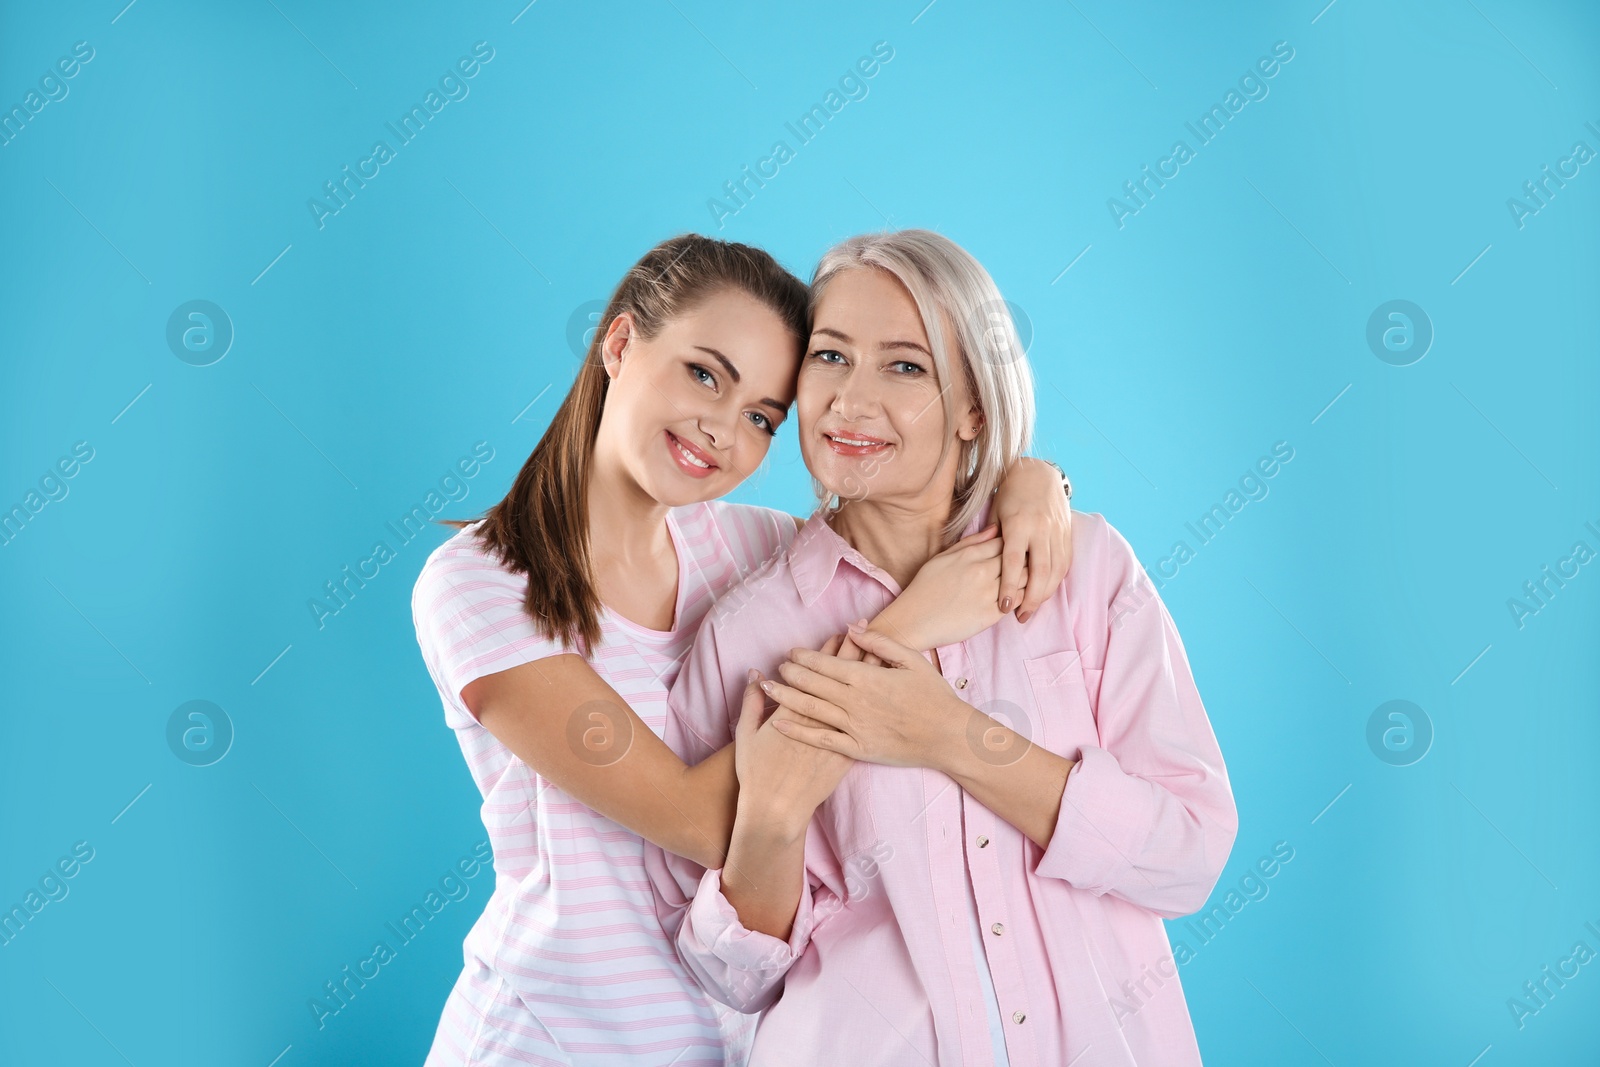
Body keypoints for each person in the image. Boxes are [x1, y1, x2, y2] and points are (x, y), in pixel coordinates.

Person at [409, 233, 1077, 1065]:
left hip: (729, 1043)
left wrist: (1032, 482)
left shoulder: (748, 548)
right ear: (619, 343)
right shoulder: (478, 583)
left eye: (762, 414)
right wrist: (904, 630)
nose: (724, 429)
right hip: (547, 1039)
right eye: (704, 374)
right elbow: (700, 821)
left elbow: (906, 526)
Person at [654, 229, 1238, 1066]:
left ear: (975, 405)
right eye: (829, 356)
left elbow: (1188, 853)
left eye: (905, 365)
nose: (850, 401)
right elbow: (725, 971)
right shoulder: (747, 632)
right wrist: (774, 821)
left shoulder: (1083, 567)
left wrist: (952, 736)